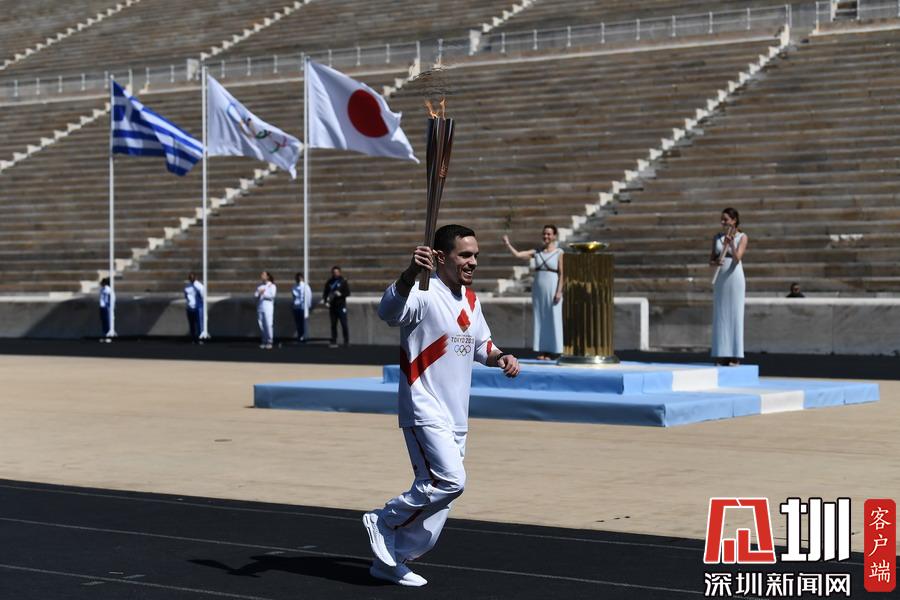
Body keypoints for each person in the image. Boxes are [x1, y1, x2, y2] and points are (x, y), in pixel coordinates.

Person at [363, 224, 520, 587]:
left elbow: (481, 345)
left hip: (456, 414)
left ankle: (392, 560)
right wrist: (409, 274)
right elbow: (388, 311)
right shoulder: (423, 292)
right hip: (424, 406)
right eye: (465, 255)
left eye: (475, 255)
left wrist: (501, 357)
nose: (473, 262)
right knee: (450, 481)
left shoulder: (471, 300)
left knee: (440, 501)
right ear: (441, 257)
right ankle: (384, 520)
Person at [503, 225, 564, 360]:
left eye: (549, 234)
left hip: (553, 288)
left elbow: (562, 273)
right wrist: (508, 244)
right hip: (538, 289)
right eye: (544, 234)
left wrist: (559, 291)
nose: (546, 236)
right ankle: (543, 350)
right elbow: (518, 255)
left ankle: (555, 351)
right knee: (540, 318)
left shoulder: (559, 252)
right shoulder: (537, 252)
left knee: (553, 318)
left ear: (554, 236)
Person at [709, 208, 748, 366]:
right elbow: (711, 260)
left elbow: (737, 258)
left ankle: (735, 355)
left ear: (734, 220)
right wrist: (715, 262)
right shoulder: (717, 237)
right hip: (721, 278)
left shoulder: (742, 237)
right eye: (722, 219)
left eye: (725, 219)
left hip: (735, 277)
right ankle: (722, 354)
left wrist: (731, 243)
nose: (722, 222)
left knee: (735, 315)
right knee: (721, 315)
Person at [322, 266, 350, 347]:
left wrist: (341, 294)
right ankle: (334, 340)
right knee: (333, 325)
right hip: (332, 306)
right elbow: (325, 293)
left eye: (337, 272)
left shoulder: (343, 281)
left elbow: (348, 293)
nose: (335, 274)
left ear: (339, 272)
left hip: (341, 306)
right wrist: (326, 301)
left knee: (344, 324)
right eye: (334, 272)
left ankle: (346, 341)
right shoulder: (329, 282)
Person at [255, 271, 276, 349]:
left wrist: (263, 294)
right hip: (260, 307)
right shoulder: (260, 286)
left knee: (268, 324)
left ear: (267, 277)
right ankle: (264, 340)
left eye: (263, 275)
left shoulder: (272, 286)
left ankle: (270, 341)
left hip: (268, 307)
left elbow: (272, 295)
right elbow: (255, 295)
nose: (262, 276)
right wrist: (259, 293)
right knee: (261, 324)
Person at [184, 272, 205, 343]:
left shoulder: (200, 286)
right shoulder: (187, 287)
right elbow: (186, 296)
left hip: (198, 307)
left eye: (193, 277)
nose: (191, 279)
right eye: (190, 277)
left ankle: (200, 338)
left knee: (199, 324)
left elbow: (203, 296)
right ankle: (193, 338)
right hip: (190, 307)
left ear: (195, 278)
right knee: (192, 324)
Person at [291, 272, 312, 342]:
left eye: (299, 278)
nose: (298, 279)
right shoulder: (294, 287)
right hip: (296, 307)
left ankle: (304, 335)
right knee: (298, 323)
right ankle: (300, 335)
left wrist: (308, 306)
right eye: (297, 278)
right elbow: (294, 297)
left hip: (303, 307)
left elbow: (308, 296)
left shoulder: (305, 286)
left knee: (303, 322)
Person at [98, 277, 115, 342]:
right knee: (104, 322)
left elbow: (109, 299)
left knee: (107, 322)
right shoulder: (102, 289)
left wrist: (109, 307)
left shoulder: (107, 289)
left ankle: (108, 336)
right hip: (103, 307)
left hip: (106, 307)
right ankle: (105, 335)